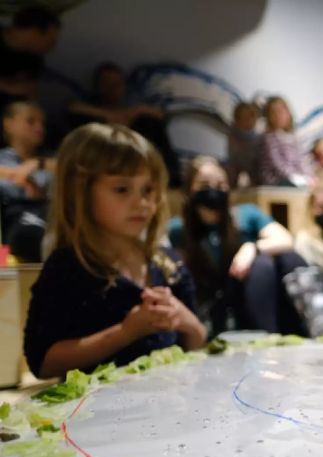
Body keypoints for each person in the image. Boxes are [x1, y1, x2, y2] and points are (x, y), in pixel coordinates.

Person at [24, 123, 206, 378]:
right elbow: (42, 362)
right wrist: (126, 332)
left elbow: (197, 340)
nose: (142, 202)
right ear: (80, 193)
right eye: (122, 189)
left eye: (148, 190)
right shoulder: (67, 268)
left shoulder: (168, 264)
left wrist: (184, 319)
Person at [168, 156, 307, 336]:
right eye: (204, 184)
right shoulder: (179, 230)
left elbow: (285, 239)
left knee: (273, 262)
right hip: (213, 306)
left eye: (220, 184)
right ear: (189, 190)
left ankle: (277, 335)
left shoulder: (246, 215)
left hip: (252, 295)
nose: (213, 190)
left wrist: (251, 248)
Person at [67, 62, 182, 187]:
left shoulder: (137, 115)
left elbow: (161, 114)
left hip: (141, 168)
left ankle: (170, 182)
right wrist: (108, 115)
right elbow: (72, 107)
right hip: (107, 167)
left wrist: (136, 110)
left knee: (151, 124)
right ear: (99, 86)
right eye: (108, 84)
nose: (113, 88)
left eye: (117, 84)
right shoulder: (91, 115)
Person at [0, 100, 53, 261]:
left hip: (47, 213)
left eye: (42, 123)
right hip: (12, 216)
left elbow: (77, 167)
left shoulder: (50, 160)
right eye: (31, 121)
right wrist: (14, 174)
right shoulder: (2, 159)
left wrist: (37, 164)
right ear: (8, 124)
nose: (39, 128)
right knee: (29, 236)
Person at [0, 6, 60, 111]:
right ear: (34, 32)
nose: (52, 48)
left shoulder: (34, 60)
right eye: (51, 42)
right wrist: (9, 88)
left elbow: (30, 95)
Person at [257, 95, 309, 187]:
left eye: (281, 111)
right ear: (268, 117)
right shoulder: (268, 139)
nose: (278, 115)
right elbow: (278, 166)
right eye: (273, 112)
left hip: (297, 180)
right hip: (276, 182)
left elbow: (302, 160)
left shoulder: (294, 139)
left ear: (288, 114)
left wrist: (307, 176)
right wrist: (298, 178)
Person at [226, 101, 259, 188]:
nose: (249, 121)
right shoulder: (233, 137)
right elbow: (234, 161)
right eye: (245, 117)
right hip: (237, 178)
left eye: (251, 117)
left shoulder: (258, 138)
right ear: (237, 119)